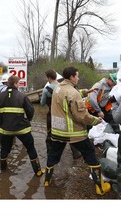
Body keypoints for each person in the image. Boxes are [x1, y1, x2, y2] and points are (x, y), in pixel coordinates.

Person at [44, 66, 111, 196]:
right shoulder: (73, 93)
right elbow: (82, 116)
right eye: (77, 75)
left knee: (54, 155)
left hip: (58, 132)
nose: (78, 78)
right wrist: (97, 120)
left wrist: (87, 91)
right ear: (71, 77)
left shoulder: (57, 88)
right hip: (74, 134)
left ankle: (47, 180)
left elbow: (69, 96)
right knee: (90, 154)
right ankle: (100, 187)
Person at [0, 75, 43, 177]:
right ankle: (38, 172)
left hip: (5, 130)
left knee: (4, 150)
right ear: (15, 84)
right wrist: (28, 120)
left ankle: (3, 172)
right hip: (22, 129)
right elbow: (30, 111)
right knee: (31, 148)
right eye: (18, 83)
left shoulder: (0, 96)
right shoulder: (22, 96)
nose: (19, 85)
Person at [40, 69, 82, 159]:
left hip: (52, 114)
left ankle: (50, 154)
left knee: (51, 134)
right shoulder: (64, 87)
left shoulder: (47, 89)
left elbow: (42, 103)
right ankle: (76, 153)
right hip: (66, 114)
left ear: (48, 78)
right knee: (70, 133)